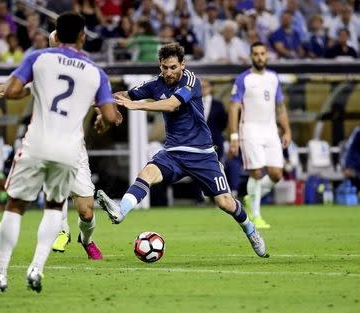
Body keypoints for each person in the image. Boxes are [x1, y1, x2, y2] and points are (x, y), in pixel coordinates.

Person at [0, 12, 118, 295]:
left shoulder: (39, 60)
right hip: (68, 150)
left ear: (55, 36)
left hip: (37, 143)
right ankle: (36, 268)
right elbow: (112, 116)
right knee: (54, 207)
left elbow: (11, 90)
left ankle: (0, 275)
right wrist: (103, 119)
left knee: (16, 206)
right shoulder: (94, 73)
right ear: (82, 37)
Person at [96, 42, 268, 259]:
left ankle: (250, 230)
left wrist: (137, 106)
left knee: (224, 202)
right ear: (160, 65)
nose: (169, 72)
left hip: (202, 154)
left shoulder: (191, 81)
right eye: (165, 68)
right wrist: (105, 104)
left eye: (173, 67)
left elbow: (171, 105)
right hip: (173, 153)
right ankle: (121, 211)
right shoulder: (155, 84)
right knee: (146, 174)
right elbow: (126, 95)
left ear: (182, 65)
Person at [228, 41, 292, 229]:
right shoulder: (243, 79)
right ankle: (255, 216)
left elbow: (280, 107)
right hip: (250, 130)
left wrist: (287, 129)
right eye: (256, 54)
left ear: (267, 55)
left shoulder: (273, 78)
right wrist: (233, 137)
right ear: (251, 56)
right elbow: (233, 108)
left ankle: (251, 197)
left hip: (271, 130)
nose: (260, 57)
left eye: (263, 53)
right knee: (256, 172)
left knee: (276, 174)